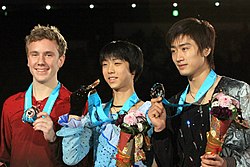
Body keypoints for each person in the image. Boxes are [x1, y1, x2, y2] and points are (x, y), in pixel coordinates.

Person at [148, 17, 250, 167]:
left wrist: (227, 163)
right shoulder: (174, 105)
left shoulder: (237, 91)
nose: (178, 57)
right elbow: (166, 163)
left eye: (185, 49)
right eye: (173, 51)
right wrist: (160, 129)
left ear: (206, 49)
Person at [57, 40, 155, 167]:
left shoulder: (148, 111)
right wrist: (75, 113)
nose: (110, 70)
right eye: (105, 64)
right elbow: (71, 158)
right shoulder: (97, 114)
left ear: (134, 69)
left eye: (117, 63)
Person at [0, 25, 71, 167]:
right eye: (35, 54)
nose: (40, 61)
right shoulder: (11, 104)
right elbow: (4, 158)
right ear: (28, 60)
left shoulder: (74, 105)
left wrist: (54, 138)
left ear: (61, 60)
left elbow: (81, 162)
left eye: (48, 55)